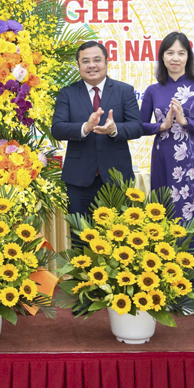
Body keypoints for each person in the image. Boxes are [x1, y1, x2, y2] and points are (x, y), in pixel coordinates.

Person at [139, 31, 194, 313]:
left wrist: (186, 122)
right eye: (170, 52)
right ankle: (165, 294)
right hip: (162, 160)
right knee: (164, 219)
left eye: (181, 53)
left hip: (191, 164)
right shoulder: (153, 90)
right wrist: (160, 126)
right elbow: (138, 126)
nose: (175, 58)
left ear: (188, 57)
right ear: (162, 57)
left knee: (192, 222)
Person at [51, 41, 143, 247]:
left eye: (96, 60)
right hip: (79, 180)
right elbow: (57, 128)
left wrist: (114, 129)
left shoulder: (124, 91)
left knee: (119, 242)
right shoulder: (67, 93)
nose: (91, 65)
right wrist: (85, 127)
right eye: (85, 61)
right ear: (78, 65)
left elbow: (137, 127)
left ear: (107, 62)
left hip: (117, 179)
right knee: (81, 241)